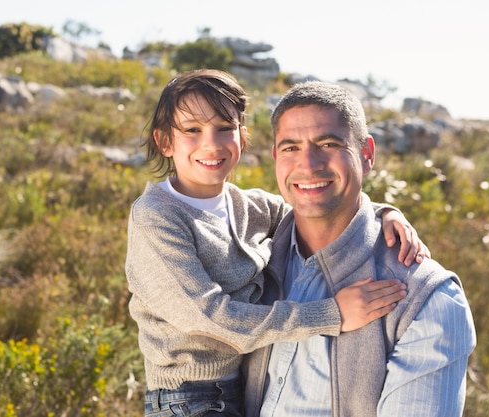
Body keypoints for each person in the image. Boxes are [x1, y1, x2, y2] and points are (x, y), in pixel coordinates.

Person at [125, 70, 428, 417]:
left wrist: (383, 213)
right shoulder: (156, 217)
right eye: (192, 130)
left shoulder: (251, 207)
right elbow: (209, 320)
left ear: (241, 135)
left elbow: (319, 208)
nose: (211, 143)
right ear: (165, 142)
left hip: (238, 390)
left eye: (225, 127)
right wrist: (333, 313)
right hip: (187, 400)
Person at [242, 80, 477, 417]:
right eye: (291, 147)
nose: (308, 164)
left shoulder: (426, 300)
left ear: (367, 155)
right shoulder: (249, 255)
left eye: (328, 143)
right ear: (276, 157)